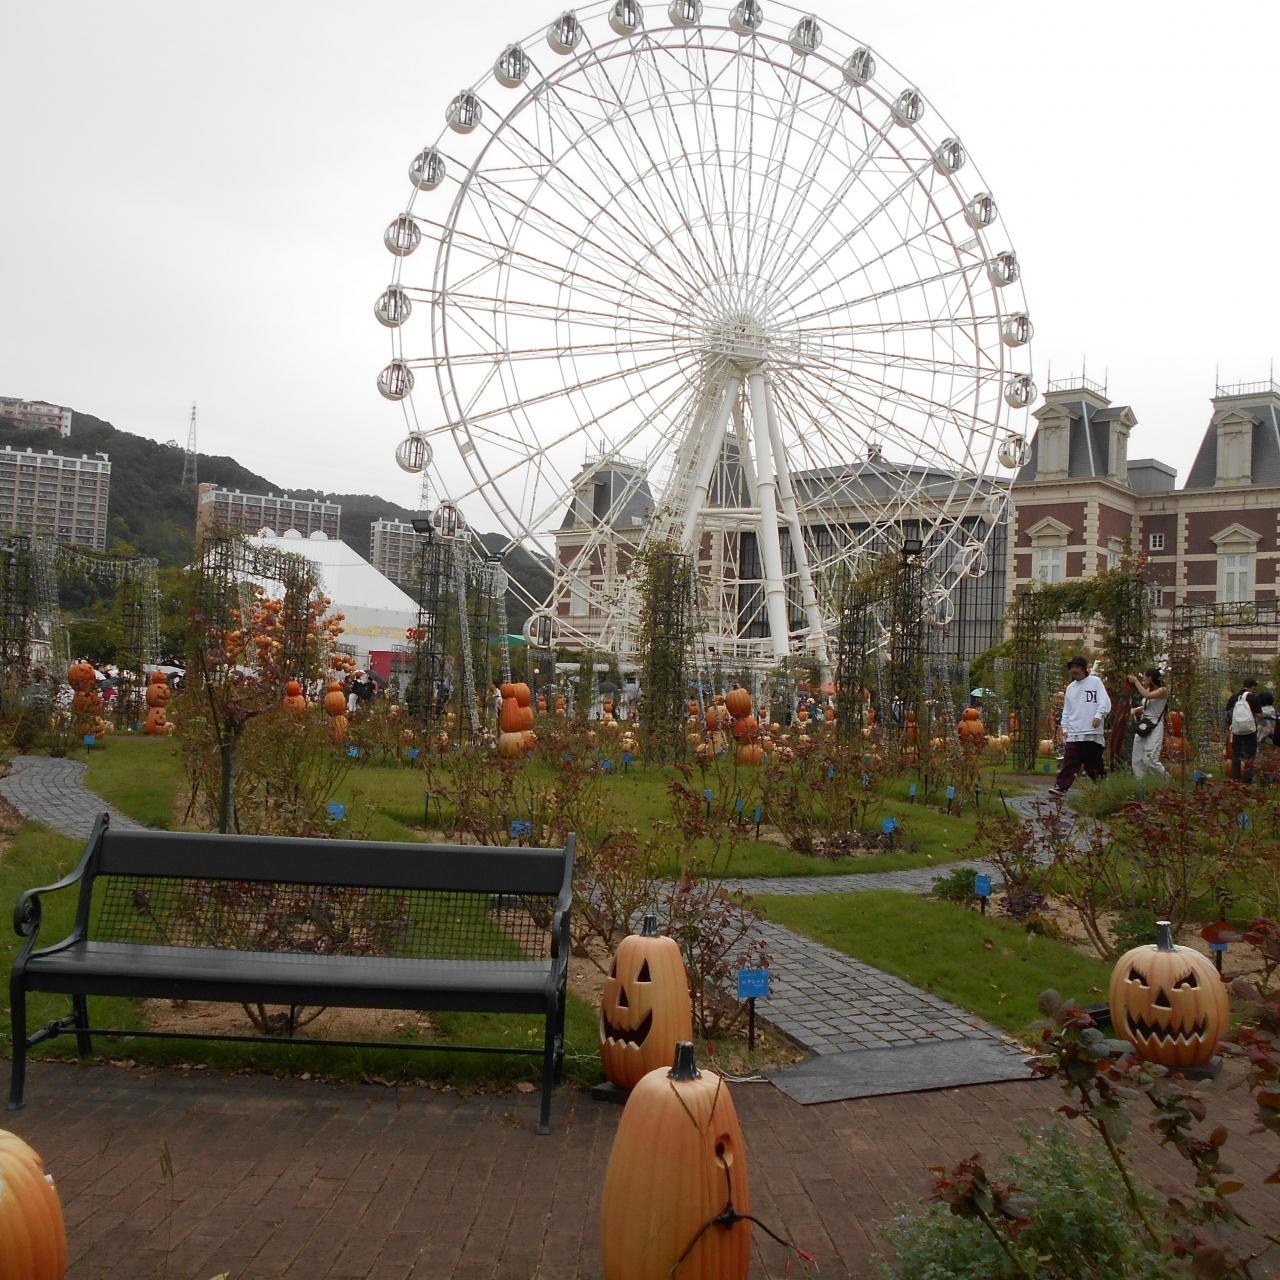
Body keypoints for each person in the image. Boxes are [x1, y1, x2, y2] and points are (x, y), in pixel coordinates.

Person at [1050, 656, 1111, 794]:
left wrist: (1099, 715)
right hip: (1075, 732)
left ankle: (1105, 787)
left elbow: (1105, 701)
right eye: (1072, 668)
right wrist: (1065, 727)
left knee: (1093, 764)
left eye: (1077, 667)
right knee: (1070, 760)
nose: (1074, 670)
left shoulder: (1095, 682)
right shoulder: (1070, 688)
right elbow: (1067, 710)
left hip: (1091, 731)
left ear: (1084, 669)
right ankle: (1061, 787)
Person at [1128, 668, 1169, 781]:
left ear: (1150, 678)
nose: (1142, 680)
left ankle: (1166, 779)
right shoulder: (1149, 690)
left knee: (1150, 758)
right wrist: (1136, 709)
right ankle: (1141, 783)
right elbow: (1149, 704)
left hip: (1155, 725)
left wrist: (1135, 681)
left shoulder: (1163, 690)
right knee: (1137, 758)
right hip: (1144, 724)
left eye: (1144, 678)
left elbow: (1147, 696)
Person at [1226, 678, 1262, 782]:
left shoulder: (1233, 697)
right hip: (1250, 730)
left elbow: (1227, 713)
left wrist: (1230, 726)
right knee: (1250, 752)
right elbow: (1259, 715)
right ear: (1253, 687)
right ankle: (1248, 777)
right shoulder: (1253, 698)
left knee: (1237, 752)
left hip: (1236, 729)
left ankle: (1235, 777)